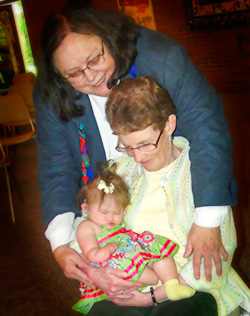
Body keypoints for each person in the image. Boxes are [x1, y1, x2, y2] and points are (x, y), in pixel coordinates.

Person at [33, 3, 236, 305]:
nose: (90, 77)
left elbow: (208, 132)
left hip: (175, 196)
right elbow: (56, 168)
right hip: (117, 218)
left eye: (95, 59)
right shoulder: (53, 92)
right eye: (74, 73)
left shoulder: (163, 58)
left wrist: (208, 221)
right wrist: (64, 246)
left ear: (109, 38)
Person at [103, 75, 250, 316]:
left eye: (145, 144)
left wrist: (153, 296)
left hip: (194, 285)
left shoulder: (203, 173)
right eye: (127, 146)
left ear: (169, 124)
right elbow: (97, 225)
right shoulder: (121, 171)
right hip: (134, 278)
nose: (137, 158)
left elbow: (215, 263)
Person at [70, 162, 195, 314]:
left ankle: (171, 285)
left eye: (117, 212)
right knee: (150, 276)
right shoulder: (87, 226)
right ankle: (157, 284)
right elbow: (92, 254)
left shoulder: (115, 225)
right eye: (104, 212)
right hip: (112, 263)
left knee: (161, 255)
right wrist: (107, 250)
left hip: (131, 253)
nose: (111, 217)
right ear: (86, 208)